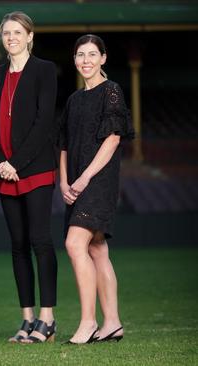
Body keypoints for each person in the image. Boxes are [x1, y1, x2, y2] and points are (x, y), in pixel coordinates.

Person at [0, 11, 59, 344]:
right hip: (5, 173)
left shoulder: (45, 70)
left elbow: (44, 123)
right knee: (17, 246)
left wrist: (16, 162)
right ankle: (27, 319)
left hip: (36, 169)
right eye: (6, 32)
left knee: (40, 241)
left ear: (30, 36)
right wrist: (0, 162)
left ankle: (48, 318)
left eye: (18, 32)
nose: (11, 37)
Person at [60, 34, 133, 344]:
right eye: (80, 55)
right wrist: (63, 181)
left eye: (92, 54)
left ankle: (89, 322)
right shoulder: (74, 100)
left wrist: (84, 178)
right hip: (75, 181)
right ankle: (113, 323)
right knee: (97, 249)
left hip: (98, 180)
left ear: (103, 58)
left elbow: (114, 138)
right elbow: (62, 144)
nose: (86, 60)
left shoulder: (111, 91)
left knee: (75, 243)